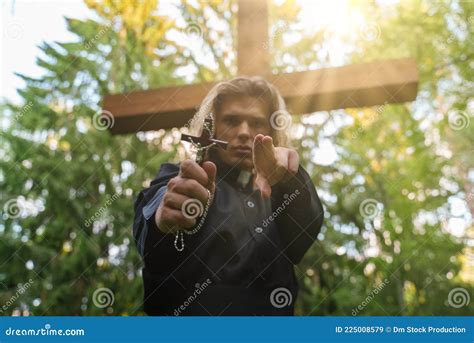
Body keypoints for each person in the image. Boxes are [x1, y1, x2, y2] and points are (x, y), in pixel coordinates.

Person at [133, 76, 324, 315]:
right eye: (232, 121)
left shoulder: (279, 198)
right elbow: (154, 211)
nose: (244, 132)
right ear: (210, 129)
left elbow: (305, 229)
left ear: (271, 131)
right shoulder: (183, 179)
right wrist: (164, 214)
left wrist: (289, 180)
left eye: (256, 123)